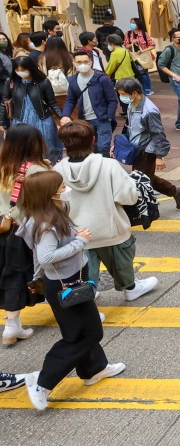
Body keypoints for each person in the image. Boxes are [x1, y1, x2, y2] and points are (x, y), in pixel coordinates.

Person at [19, 170, 126, 411]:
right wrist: (80, 241)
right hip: (65, 282)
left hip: (66, 279)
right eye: (61, 185)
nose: (65, 187)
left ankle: (94, 369)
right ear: (50, 193)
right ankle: (42, 381)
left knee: (81, 329)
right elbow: (46, 257)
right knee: (87, 334)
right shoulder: (46, 223)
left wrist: (73, 236)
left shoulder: (44, 214)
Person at [54, 120, 157, 302]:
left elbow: (57, 204)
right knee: (122, 261)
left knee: (85, 269)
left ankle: (88, 295)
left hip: (78, 234)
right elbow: (128, 197)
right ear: (93, 139)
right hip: (112, 230)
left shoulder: (57, 170)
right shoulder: (108, 165)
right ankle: (130, 287)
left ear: (64, 144)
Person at [0, 124, 49, 348]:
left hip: (3, 228)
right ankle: (12, 325)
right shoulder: (35, 170)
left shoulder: (2, 166)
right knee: (37, 272)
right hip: (25, 231)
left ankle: (12, 325)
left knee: (10, 274)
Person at [115, 78, 180, 209]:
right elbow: (129, 126)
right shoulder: (132, 104)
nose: (121, 97)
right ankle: (176, 192)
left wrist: (159, 156)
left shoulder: (149, 111)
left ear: (135, 93)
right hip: (137, 147)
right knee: (146, 178)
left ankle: (146, 207)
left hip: (147, 150)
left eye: (123, 94)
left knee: (140, 179)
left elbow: (158, 134)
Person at [1, 55, 63, 163]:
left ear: (30, 68)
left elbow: (52, 102)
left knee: (46, 148)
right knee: (22, 149)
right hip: (20, 121)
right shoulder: (11, 82)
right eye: (17, 69)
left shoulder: (43, 82)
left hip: (42, 120)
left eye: (23, 69)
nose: (20, 72)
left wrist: (63, 117)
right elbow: (4, 102)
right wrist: (1, 122)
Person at [59, 48, 117, 157]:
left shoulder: (102, 79)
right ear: (74, 63)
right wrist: (65, 115)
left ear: (91, 62)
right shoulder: (72, 80)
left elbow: (112, 99)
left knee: (103, 147)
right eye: (79, 62)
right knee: (89, 147)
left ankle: (105, 169)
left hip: (102, 118)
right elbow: (70, 100)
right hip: (85, 120)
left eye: (85, 62)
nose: (83, 64)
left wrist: (109, 116)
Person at [124, 18, 155, 96]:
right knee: (137, 73)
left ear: (138, 24)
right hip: (133, 57)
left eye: (133, 23)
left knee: (144, 73)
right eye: (131, 22)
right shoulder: (128, 34)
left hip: (143, 57)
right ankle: (140, 89)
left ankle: (147, 89)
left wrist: (143, 50)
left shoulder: (144, 34)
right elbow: (126, 46)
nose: (132, 24)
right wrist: (132, 43)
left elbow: (152, 45)